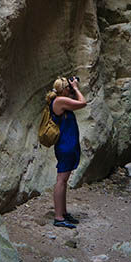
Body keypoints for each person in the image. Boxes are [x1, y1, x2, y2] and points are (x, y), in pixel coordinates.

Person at [45, 75, 87, 229]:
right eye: (68, 88)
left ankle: (63, 212)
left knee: (63, 180)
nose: (71, 89)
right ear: (63, 89)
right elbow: (82, 103)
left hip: (68, 145)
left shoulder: (62, 101)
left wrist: (73, 90)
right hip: (65, 146)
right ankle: (58, 217)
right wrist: (76, 88)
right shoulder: (59, 101)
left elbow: (77, 102)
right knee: (61, 180)